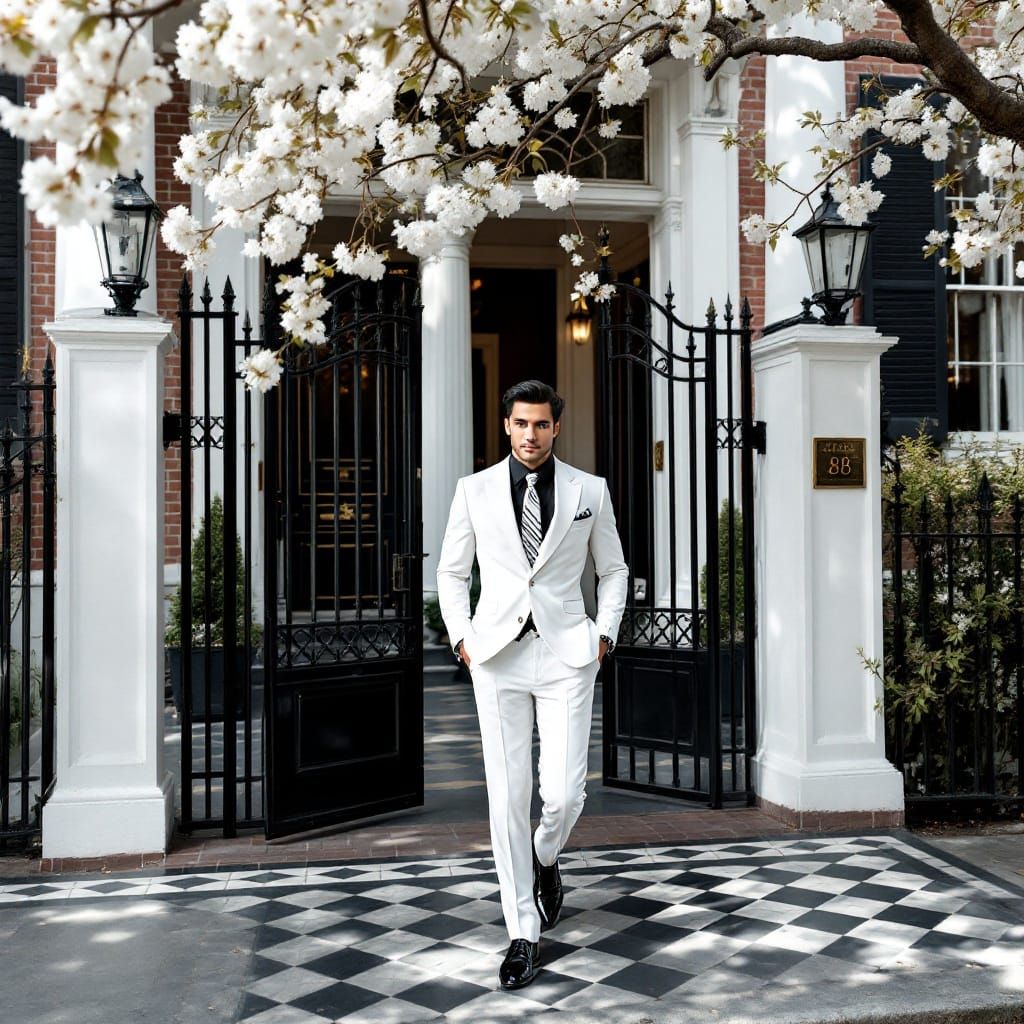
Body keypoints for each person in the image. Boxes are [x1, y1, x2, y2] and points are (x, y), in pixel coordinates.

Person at [436, 379, 629, 990]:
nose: (530, 434)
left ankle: (547, 857)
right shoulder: (473, 490)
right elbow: (450, 570)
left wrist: (604, 634)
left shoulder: (588, 491)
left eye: (541, 425)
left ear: (555, 428)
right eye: (520, 423)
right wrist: (462, 637)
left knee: (564, 795)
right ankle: (522, 931)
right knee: (506, 793)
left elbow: (615, 569)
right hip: (495, 657)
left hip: (568, 653)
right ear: (506, 425)